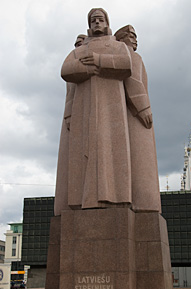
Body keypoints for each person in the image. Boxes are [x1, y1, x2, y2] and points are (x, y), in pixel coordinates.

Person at [55, 8, 132, 213]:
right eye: (93, 20)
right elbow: (65, 70)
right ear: (89, 25)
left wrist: (98, 60)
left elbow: (126, 64)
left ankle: (116, 197)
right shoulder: (79, 50)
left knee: (111, 150)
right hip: (84, 107)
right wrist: (89, 70)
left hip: (112, 108)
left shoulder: (116, 46)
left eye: (100, 19)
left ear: (107, 23)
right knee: (85, 154)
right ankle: (84, 198)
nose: (97, 23)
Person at [114, 25, 161, 212]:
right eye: (131, 35)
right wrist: (144, 108)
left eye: (135, 36)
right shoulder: (130, 56)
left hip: (130, 114)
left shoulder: (129, 56)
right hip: (135, 116)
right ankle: (143, 203)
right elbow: (133, 82)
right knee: (140, 159)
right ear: (122, 39)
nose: (135, 39)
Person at [54, 34, 87, 214]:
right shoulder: (75, 67)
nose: (78, 48)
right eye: (77, 45)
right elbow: (70, 94)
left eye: (81, 44)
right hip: (74, 116)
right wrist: (68, 114)